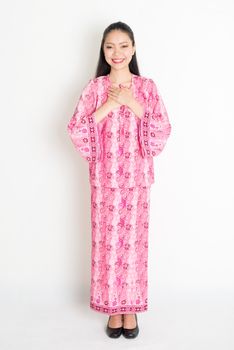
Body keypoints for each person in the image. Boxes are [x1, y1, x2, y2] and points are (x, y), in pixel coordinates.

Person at [67, 21, 172, 339]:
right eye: (110, 46)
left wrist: (133, 104)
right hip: (104, 182)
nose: (117, 52)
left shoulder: (148, 88)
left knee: (133, 248)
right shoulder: (95, 88)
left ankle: (132, 310)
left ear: (134, 48)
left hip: (137, 182)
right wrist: (109, 105)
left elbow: (162, 130)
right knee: (108, 247)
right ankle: (113, 311)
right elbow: (76, 128)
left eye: (123, 45)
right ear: (103, 49)